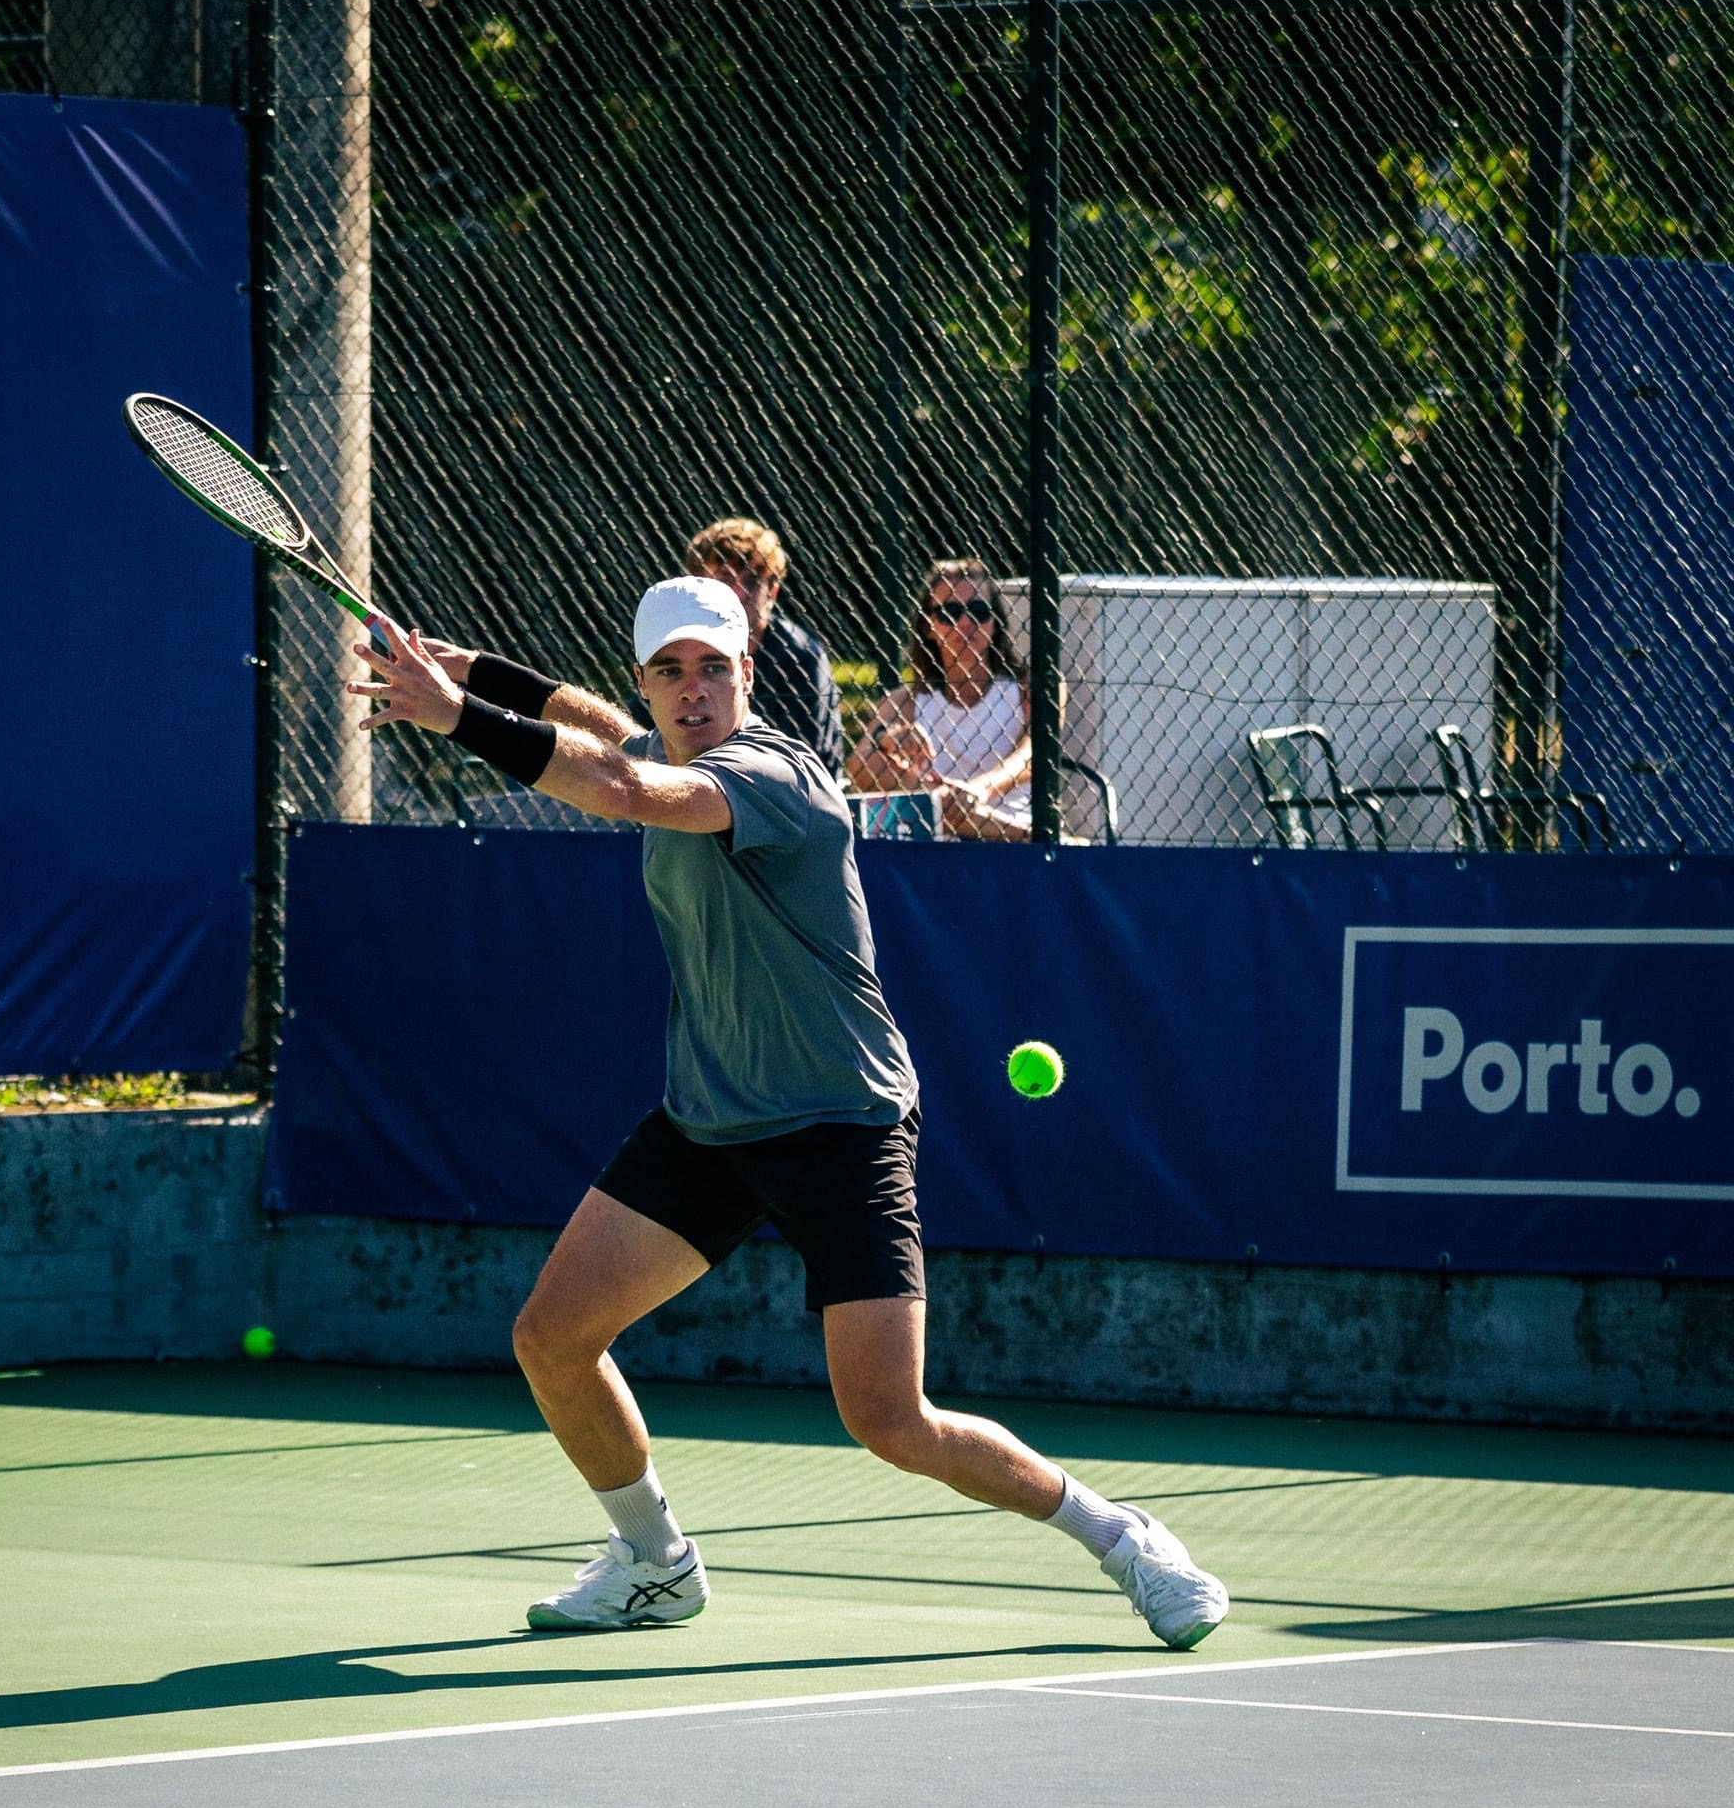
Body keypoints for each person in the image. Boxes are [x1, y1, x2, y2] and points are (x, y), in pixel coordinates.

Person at [344, 578, 1228, 1649]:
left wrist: (458, 716)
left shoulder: (775, 774)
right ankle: (653, 1561)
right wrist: (478, 670)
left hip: (840, 1124)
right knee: (552, 1336)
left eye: (713, 667)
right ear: (646, 684)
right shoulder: (657, 739)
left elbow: (620, 783)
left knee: (890, 1420)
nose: (693, 688)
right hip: (710, 1118)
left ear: (748, 674)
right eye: (669, 670)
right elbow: (595, 724)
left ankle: (1124, 1538)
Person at [848, 557, 1033, 841]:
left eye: (979, 611)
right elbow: (857, 766)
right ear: (928, 626)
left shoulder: (1026, 688)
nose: (966, 623)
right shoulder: (908, 699)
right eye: (950, 612)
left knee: (931, 808)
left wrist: (979, 789)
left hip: (1012, 837)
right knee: (922, 800)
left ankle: (998, 828)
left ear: (995, 622)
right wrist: (888, 739)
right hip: (939, 838)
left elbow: (1034, 755)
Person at [684, 516, 844, 779]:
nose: (739, 593)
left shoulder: (801, 657)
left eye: (751, 581)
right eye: (725, 579)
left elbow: (811, 765)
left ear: (773, 592)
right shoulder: (676, 648)